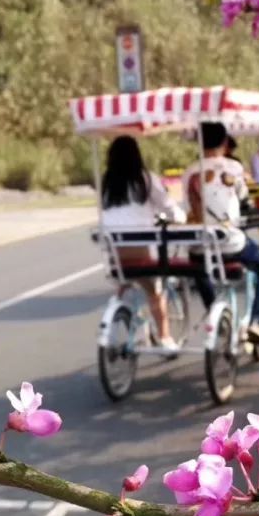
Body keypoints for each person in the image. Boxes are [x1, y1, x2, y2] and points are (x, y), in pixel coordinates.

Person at [182, 123, 259, 349]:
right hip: (229, 242)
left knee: (199, 269)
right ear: (225, 143)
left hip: (200, 245)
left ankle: (214, 309)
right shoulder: (233, 168)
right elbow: (243, 194)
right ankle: (258, 320)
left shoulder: (189, 172)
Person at [100, 135, 186, 353]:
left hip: (115, 255)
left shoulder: (107, 182)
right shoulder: (146, 179)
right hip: (142, 252)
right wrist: (179, 217)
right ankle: (165, 337)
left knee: (125, 281)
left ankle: (118, 310)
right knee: (154, 291)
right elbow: (167, 206)